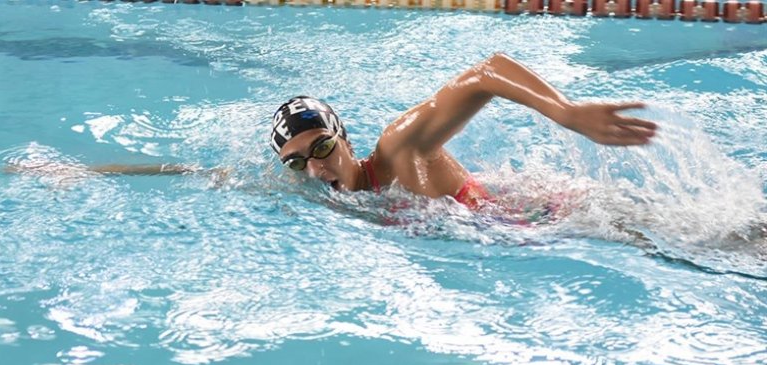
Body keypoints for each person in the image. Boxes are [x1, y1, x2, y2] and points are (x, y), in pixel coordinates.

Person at [271, 53, 656, 212]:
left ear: (346, 140)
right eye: (297, 163)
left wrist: (565, 112)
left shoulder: (399, 148)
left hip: (548, 216)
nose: (315, 169)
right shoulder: (327, 198)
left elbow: (488, 72)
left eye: (322, 147)